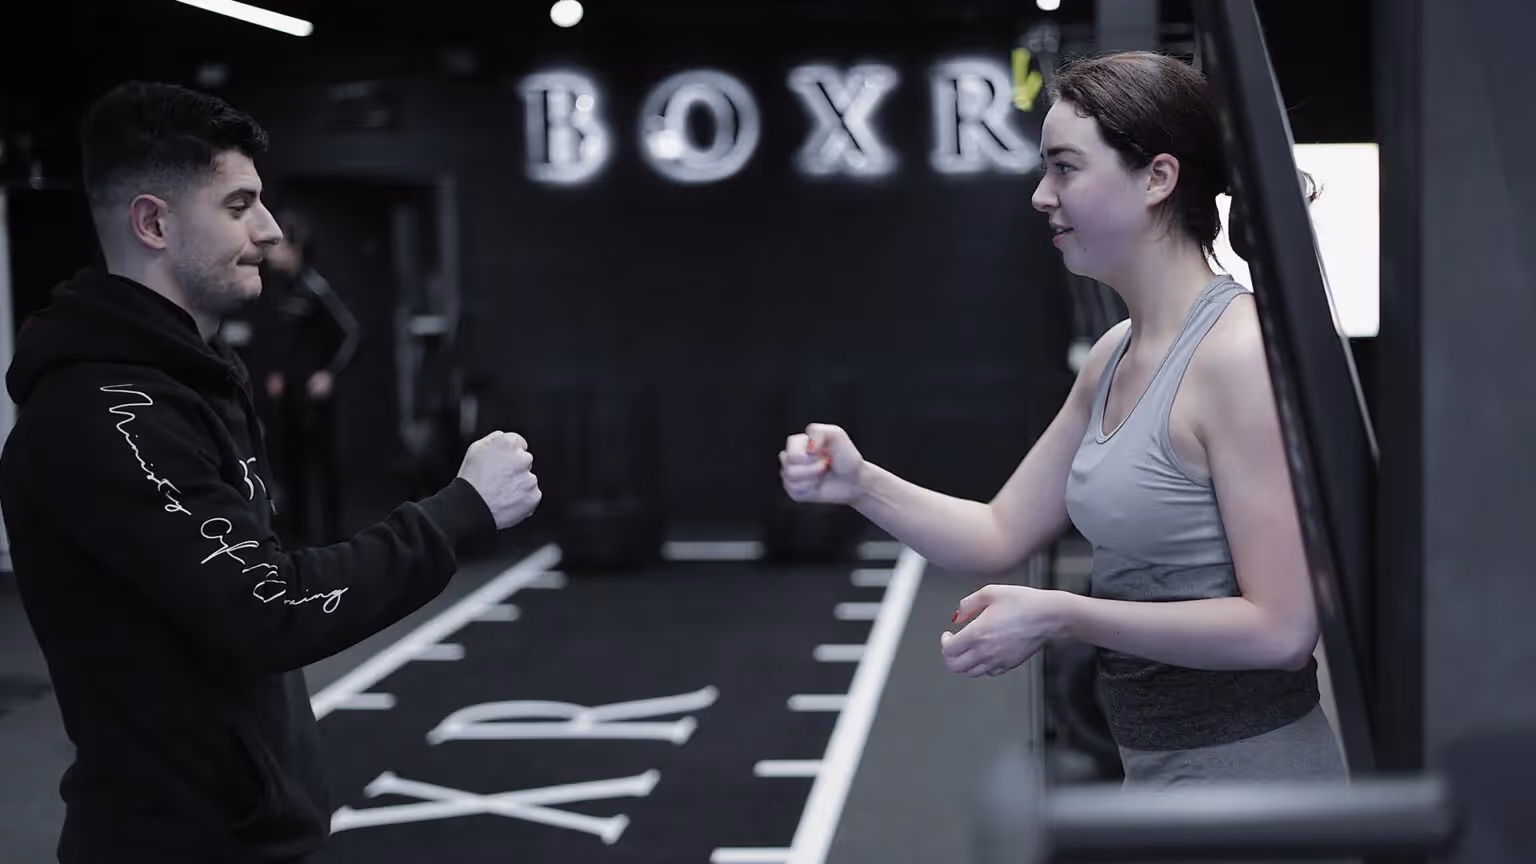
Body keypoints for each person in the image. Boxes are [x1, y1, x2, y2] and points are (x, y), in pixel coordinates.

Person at [0, 81, 542, 863]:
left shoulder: (188, 383)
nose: (269, 229)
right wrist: (461, 509)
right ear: (153, 221)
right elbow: (272, 608)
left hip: (237, 828)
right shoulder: (107, 416)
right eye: (238, 205)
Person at [779, 51, 1346, 789]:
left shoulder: (1236, 355)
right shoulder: (1114, 355)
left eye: (1066, 168)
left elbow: (1280, 628)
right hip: (1157, 770)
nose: (1042, 195)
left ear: (1158, 178)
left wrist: (1063, 615)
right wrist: (860, 484)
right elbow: (997, 533)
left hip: (1256, 785)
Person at [250, 208, 361, 546]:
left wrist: (328, 375)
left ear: (297, 249)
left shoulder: (316, 288)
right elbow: (286, 341)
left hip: (315, 399)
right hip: (289, 397)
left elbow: (352, 333)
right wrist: (277, 374)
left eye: (280, 247)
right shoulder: (281, 291)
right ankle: (297, 536)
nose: (272, 255)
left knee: (324, 467)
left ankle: (334, 535)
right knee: (290, 466)